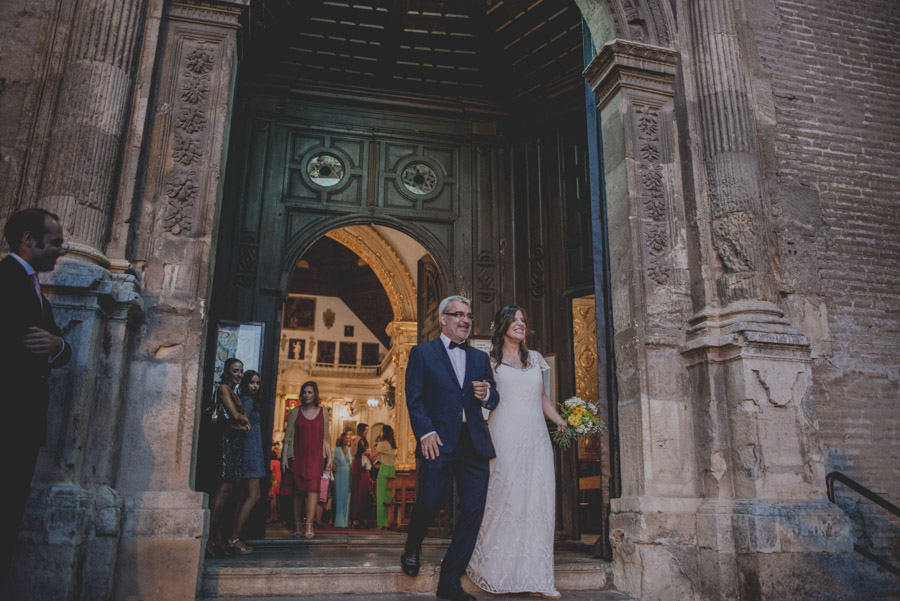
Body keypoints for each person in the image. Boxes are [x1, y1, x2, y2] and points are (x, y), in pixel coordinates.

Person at [400, 295, 499, 601]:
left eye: (468, 315)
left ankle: (449, 581)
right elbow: (414, 397)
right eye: (458, 314)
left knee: (473, 510)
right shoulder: (422, 353)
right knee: (431, 500)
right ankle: (412, 545)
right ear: (443, 319)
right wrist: (425, 432)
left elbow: (494, 398)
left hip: (474, 442)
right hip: (438, 441)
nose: (465, 320)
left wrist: (486, 395)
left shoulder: (480, 358)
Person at [466, 306, 567, 599]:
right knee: (505, 499)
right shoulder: (490, 361)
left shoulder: (535, 358)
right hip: (504, 435)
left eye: (524, 319)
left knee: (536, 500)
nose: (521, 324)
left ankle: (536, 577)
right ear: (503, 325)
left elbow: (542, 397)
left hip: (536, 438)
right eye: (515, 320)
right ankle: (495, 571)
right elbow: (484, 397)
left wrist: (561, 421)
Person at [0, 208, 71, 580]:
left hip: (23, 421)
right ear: (28, 240)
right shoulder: (6, 279)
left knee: (10, 511)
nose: (62, 249)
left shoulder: (34, 288)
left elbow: (59, 346)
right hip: (9, 416)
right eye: (56, 242)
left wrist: (58, 344)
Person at [206, 358, 251, 558]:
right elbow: (235, 415)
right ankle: (208, 538)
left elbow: (240, 420)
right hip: (225, 443)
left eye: (241, 371)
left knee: (228, 492)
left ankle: (218, 539)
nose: (239, 374)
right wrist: (244, 420)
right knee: (222, 490)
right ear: (226, 372)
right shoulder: (223, 389)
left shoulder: (235, 393)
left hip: (234, 444)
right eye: (235, 370)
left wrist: (242, 422)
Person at [281, 381, 332, 539]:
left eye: (310, 392)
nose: (307, 395)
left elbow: (326, 437)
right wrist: (284, 457)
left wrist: (329, 458)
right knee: (297, 492)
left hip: (316, 457)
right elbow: (288, 437)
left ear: (315, 394)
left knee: (313, 491)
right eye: (304, 392)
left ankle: (309, 524)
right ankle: (297, 524)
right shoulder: (295, 412)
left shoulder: (323, 412)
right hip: (297, 456)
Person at [227, 370, 266, 554]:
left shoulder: (247, 399)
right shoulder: (248, 401)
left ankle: (232, 536)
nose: (255, 386)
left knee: (242, 496)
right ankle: (234, 537)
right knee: (254, 494)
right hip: (251, 451)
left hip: (251, 450)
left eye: (257, 383)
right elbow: (238, 421)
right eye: (252, 382)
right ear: (245, 384)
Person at [370, 425, 398, 529]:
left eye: (381, 431)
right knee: (389, 496)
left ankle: (382, 523)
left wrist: (373, 447)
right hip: (392, 470)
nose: (380, 433)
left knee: (381, 496)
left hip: (384, 469)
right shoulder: (393, 444)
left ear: (384, 433)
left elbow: (372, 456)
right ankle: (390, 521)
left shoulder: (381, 444)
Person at [349, 422, 372, 528]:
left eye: (367, 430)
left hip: (365, 466)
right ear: (361, 430)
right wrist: (355, 444)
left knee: (365, 491)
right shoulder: (356, 439)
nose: (367, 432)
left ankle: (363, 517)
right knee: (357, 491)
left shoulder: (365, 440)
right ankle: (355, 519)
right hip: (358, 465)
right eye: (365, 430)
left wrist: (368, 453)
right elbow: (353, 454)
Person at [332, 433, 352, 528]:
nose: (347, 440)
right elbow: (331, 462)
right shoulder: (336, 450)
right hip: (339, 474)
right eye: (345, 438)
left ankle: (346, 521)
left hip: (348, 474)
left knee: (347, 497)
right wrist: (333, 466)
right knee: (339, 496)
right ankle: (339, 521)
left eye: (349, 438)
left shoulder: (351, 450)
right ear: (342, 439)